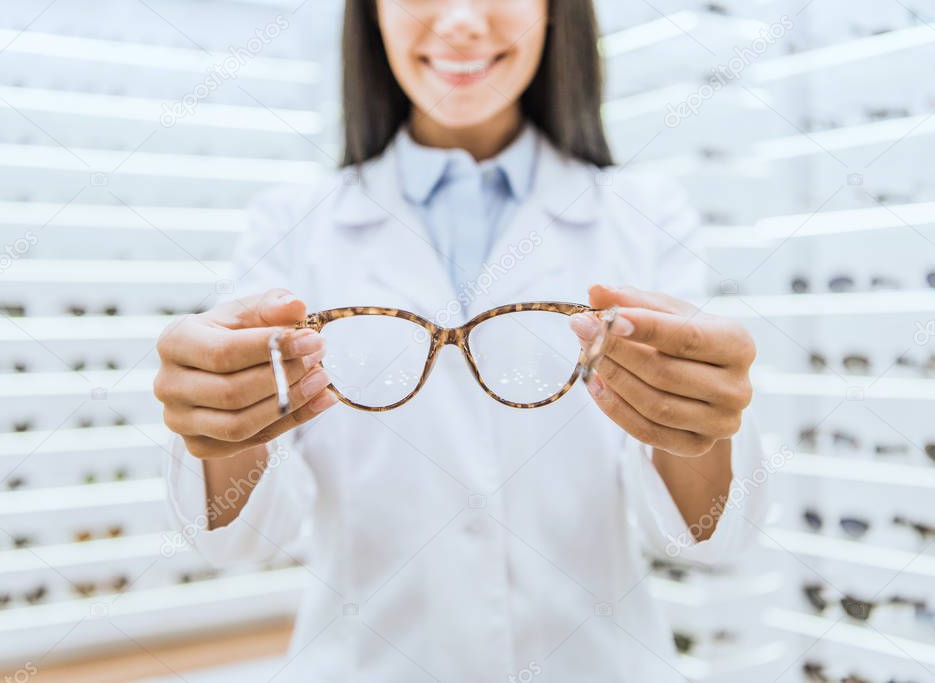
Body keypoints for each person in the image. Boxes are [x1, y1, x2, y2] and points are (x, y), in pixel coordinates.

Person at [154, 0, 766, 680]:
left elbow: (705, 533)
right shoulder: (291, 227)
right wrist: (219, 423)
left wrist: (702, 424)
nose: (459, 20)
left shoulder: (645, 217)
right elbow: (242, 538)